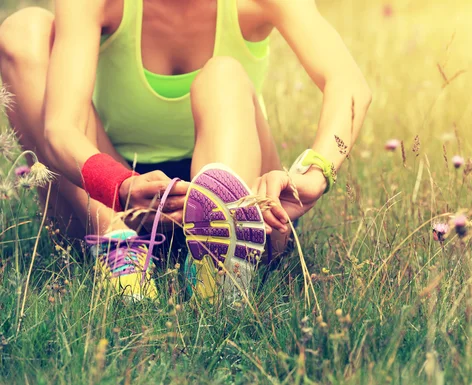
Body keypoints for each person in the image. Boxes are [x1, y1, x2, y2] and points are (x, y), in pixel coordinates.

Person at [0, 0, 371, 302]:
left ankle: (221, 259)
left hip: (232, 178)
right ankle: (119, 244)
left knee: (224, 73)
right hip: (114, 197)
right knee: (23, 31)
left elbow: (348, 82)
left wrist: (316, 172)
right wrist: (120, 186)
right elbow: (60, 129)